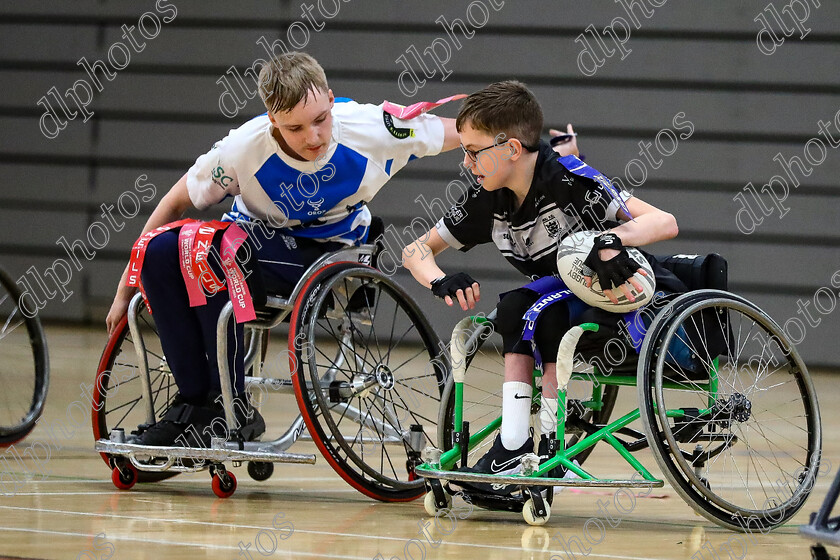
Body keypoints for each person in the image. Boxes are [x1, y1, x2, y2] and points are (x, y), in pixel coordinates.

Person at [105, 51, 464, 447]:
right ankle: (197, 402)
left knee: (216, 253)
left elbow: (467, 130)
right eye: (295, 127)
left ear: (331, 99)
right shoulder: (243, 148)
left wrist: (534, 144)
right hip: (251, 241)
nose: (313, 137)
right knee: (158, 253)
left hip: (329, 250)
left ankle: (229, 405)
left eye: (320, 120)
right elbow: (174, 202)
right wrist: (125, 290)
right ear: (271, 119)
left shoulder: (370, 126)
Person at [401, 81, 682, 491]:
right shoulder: (486, 197)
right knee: (519, 307)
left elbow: (665, 222)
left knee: (540, 310)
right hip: (555, 301)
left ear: (511, 149)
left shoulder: (569, 179)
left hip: (621, 299)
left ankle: (550, 449)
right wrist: (439, 278)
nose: (465, 162)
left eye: (473, 151)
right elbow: (414, 250)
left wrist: (613, 239)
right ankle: (512, 447)